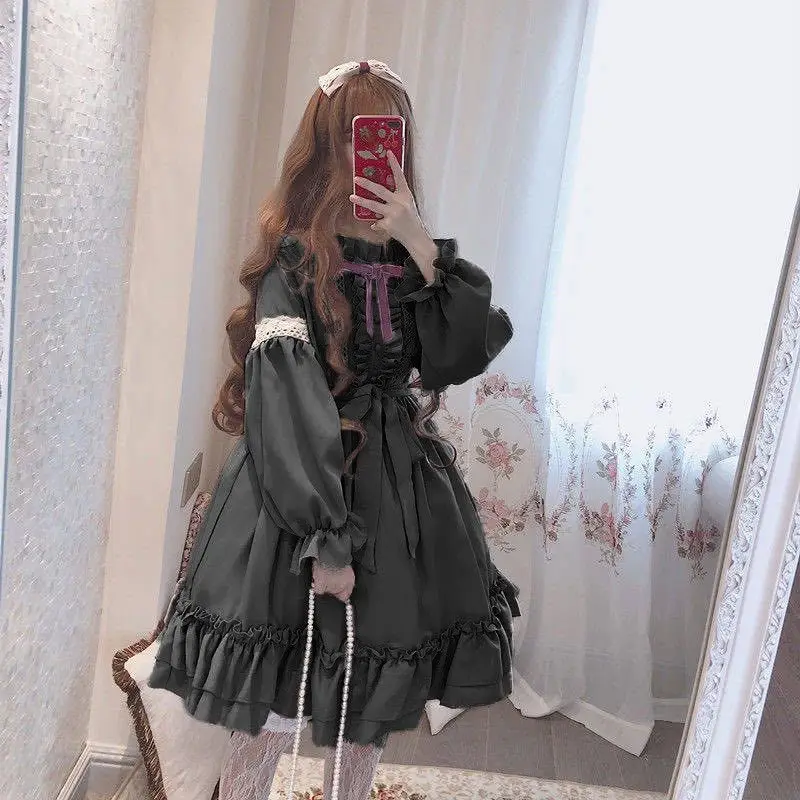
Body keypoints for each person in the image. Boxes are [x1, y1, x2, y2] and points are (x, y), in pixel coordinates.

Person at [148, 59, 521, 800]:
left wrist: (418, 239)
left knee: (371, 699)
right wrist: (325, 535)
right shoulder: (293, 262)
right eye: (355, 135)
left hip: (398, 503)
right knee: (270, 706)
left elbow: (464, 346)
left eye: (387, 134)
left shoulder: (414, 264)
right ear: (326, 145)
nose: (371, 152)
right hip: (296, 499)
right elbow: (286, 397)